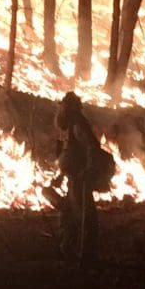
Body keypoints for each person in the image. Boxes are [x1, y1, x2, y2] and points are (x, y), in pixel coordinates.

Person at [53, 91, 100, 264]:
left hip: (80, 180)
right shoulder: (73, 126)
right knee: (70, 216)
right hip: (73, 178)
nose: (61, 110)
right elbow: (70, 153)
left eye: (64, 106)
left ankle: (86, 256)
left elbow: (92, 147)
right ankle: (71, 252)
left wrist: (87, 170)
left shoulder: (78, 126)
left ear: (69, 108)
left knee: (84, 217)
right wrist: (60, 175)